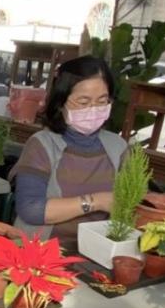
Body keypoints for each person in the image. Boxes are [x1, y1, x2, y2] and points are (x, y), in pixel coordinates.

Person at [11, 55, 128, 248]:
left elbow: (132, 201)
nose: (93, 109)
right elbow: (30, 209)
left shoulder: (118, 147)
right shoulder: (43, 145)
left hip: (99, 251)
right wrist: (97, 201)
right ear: (61, 102)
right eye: (83, 102)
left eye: (102, 101)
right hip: (43, 251)